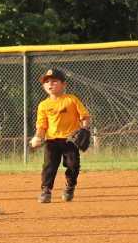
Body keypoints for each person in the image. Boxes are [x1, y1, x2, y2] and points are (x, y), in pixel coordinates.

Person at [29, 67, 91, 203]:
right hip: (52, 140)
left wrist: (85, 129)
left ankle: (70, 186)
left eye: (54, 81)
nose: (50, 84)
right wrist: (38, 137)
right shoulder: (43, 105)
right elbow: (42, 125)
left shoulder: (71, 100)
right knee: (49, 166)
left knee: (73, 165)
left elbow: (85, 116)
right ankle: (46, 191)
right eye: (46, 82)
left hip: (70, 140)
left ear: (64, 84)